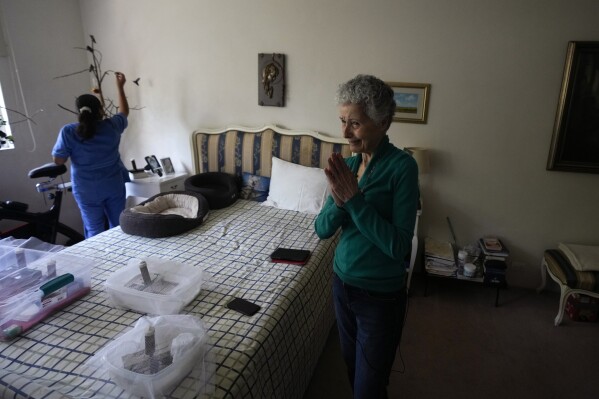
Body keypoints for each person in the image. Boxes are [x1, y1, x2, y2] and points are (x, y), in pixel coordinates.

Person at [314, 74, 419, 399]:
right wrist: (339, 198)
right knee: (351, 368)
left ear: (383, 123)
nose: (345, 132)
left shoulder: (402, 168)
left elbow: (399, 246)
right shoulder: (346, 164)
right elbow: (322, 229)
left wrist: (355, 200)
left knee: (369, 387)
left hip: (380, 297)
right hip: (342, 285)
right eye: (343, 121)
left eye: (355, 123)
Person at [52, 72, 130, 238]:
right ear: (100, 110)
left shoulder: (68, 131)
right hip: (113, 184)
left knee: (94, 231)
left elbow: (59, 160)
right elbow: (124, 112)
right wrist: (120, 88)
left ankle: (98, 262)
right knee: (119, 227)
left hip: (86, 189)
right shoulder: (112, 126)